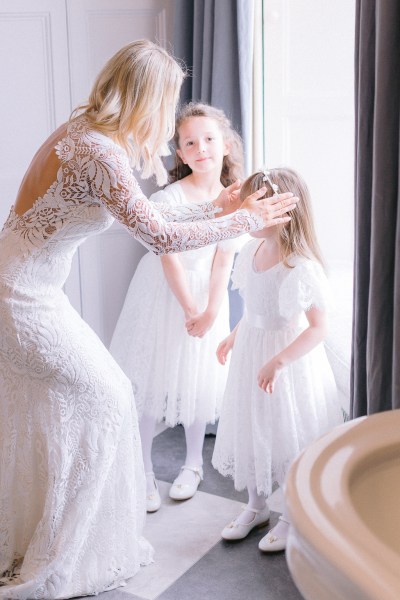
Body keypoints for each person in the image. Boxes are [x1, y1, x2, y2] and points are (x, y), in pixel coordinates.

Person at [0, 39, 298, 599]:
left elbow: (155, 215)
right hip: (20, 295)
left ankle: (44, 533)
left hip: (23, 283)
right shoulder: (99, 153)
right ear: (146, 97)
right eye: (167, 105)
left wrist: (224, 207)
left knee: (58, 404)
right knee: (109, 396)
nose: (167, 123)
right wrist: (242, 220)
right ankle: (69, 551)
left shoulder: (84, 132)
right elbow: (158, 233)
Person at [110, 102, 245, 511]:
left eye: (208, 139)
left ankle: (192, 464)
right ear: (181, 154)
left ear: (225, 145)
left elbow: (224, 259)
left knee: (198, 379)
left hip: (207, 296)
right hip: (165, 294)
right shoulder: (169, 197)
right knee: (153, 379)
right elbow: (167, 254)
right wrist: (189, 307)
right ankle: (144, 469)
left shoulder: (234, 198)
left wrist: (209, 311)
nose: (201, 148)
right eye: (190, 142)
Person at [212, 168, 343, 553]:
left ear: (282, 211)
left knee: (288, 431)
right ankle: (256, 505)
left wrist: (279, 362)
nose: (246, 211)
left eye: (257, 204)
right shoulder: (250, 251)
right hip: (252, 350)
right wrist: (234, 336)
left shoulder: (300, 265)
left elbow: (317, 328)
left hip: (287, 360)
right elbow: (255, 307)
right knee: (253, 425)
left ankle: (290, 511)